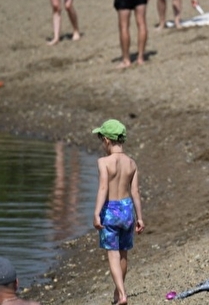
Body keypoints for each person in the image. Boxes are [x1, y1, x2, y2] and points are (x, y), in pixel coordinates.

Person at [92, 119, 144, 305]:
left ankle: (122, 294)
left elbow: (103, 188)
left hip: (111, 210)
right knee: (123, 254)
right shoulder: (131, 163)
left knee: (113, 254)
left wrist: (97, 212)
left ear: (106, 140)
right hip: (127, 209)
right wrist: (140, 218)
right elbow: (135, 192)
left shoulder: (104, 162)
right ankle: (118, 292)